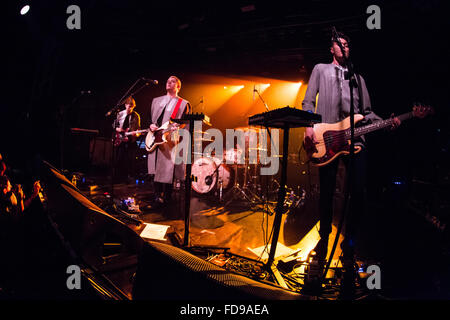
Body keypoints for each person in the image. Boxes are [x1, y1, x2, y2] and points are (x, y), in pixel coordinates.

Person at [302, 32, 401, 265]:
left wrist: (387, 122)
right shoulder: (320, 69)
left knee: (359, 192)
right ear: (332, 49)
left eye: (348, 45)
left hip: (355, 141)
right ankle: (324, 238)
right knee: (326, 191)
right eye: (341, 44)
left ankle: (350, 241)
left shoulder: (358, 78)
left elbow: (366, 114)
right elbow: (308, 102)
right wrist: (309, 126)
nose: (345, 48)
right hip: (326, 139)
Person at [147, 76, 190, 208]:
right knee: (155, 167)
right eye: (167, 81)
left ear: (178, 87)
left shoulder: (183, 103)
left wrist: (178, 128)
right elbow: (152, 118)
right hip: (155, 136)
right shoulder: (157, 101)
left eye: (172, 82)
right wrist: (151, 125)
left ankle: (167, 198)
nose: (169, 83)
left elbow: (185, 123)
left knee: (168, 169)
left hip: (170, 138)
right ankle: (156, 196)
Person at [113, 96, 141, 183]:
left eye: (132, 107)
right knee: (119, 159)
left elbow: (138, 129)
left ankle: (128, 177)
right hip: (120, 139)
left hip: (130, 140)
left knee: (130, 160)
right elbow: (114, 125)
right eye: (129, 106)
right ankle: (117, 177)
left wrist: (137, 134)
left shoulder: (136, 116)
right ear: (125, 105)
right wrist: (117, 129)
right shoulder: (120, 114)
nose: (131, 108)